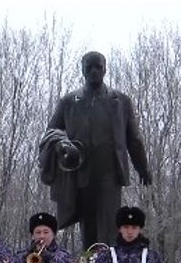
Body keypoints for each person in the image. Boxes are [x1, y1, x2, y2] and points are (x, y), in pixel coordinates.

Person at [38, 51, 154, 250]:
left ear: (105, 68)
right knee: (88, 225)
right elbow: (52, 131)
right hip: (82, 172)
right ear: (82, 69)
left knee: (109, 224)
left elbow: (133, 139)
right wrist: (63, 144)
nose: (93, 71)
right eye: (89, 66)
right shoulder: (69, 101)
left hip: (109, 172)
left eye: (98, 66)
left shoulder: (121, 101)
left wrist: (142, 167)